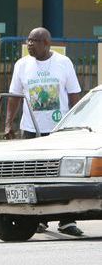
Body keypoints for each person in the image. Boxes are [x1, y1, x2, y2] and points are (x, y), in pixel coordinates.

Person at [5, 27, 83, 236]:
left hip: (59, 130)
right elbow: (14, 96)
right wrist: (8, 123)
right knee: (32, 176)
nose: (30, 44)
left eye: (35, 41)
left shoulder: (63, 63)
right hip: (31, 130)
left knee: (62, 176)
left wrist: (75, 124)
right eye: (28, 40)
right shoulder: (22, 65)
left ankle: (67, 220)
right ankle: (38, 219)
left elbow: (74, 95)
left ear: (47, 43)